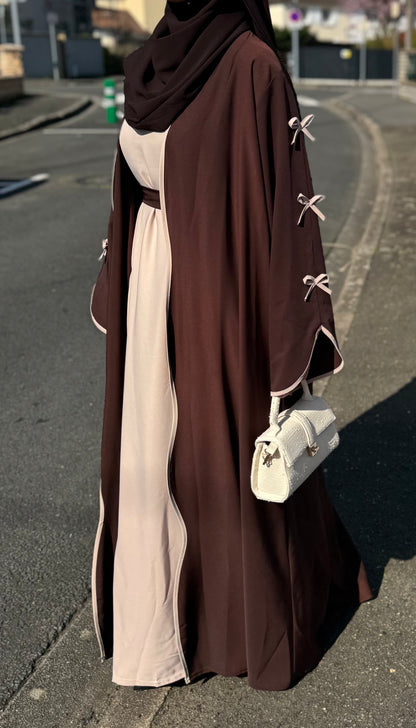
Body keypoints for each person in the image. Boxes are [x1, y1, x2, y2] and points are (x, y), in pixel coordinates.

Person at [90, 0, 374, 692]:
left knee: (219, 459)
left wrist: (287, 340)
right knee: (152, 450)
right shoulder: (147, 65)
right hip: (150, 282)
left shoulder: (253, 67)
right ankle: (156, 623)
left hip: (222, 299)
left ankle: (225, 626)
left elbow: (285, 208)